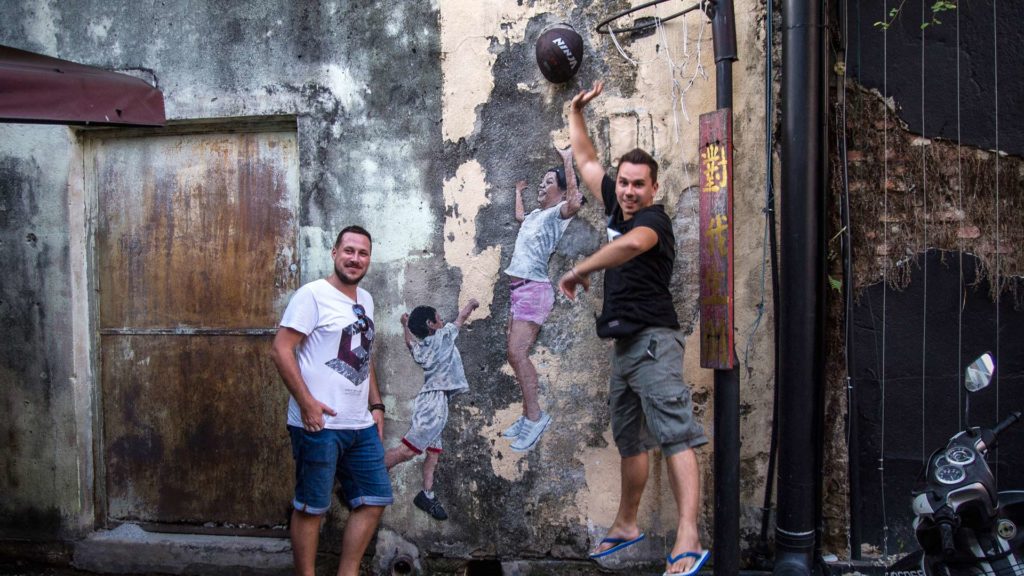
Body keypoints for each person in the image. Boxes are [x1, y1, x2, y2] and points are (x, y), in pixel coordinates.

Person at [556, 82, 710, 576]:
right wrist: (575, 110)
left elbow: (629, 246)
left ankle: (688, 534)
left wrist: (582, 268)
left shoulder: (654, 222)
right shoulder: (614, 202)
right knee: (631, 441)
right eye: (623, 182)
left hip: (654, 342)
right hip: (624, 347)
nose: (627, 191)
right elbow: (585, 159)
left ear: (653, 188)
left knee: (675, 434)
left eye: (637, 184)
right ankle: (626, 523)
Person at [270, 225, 391, 576]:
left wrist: (377, 405)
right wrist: (307, 403)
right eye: (349, 250)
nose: (355, 259)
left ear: (369, 259)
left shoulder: (365, 300)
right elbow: (280, 349)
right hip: (318, 424)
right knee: (312, 508)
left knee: (374, 498)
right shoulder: (312, 295)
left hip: (359, 424)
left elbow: (363, 357)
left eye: (363, 253)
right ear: (335, 253)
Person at [502, 145, 583, 452]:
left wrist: (567, 161)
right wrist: (519, 191)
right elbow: (519, 216)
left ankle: (535, 416)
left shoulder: (555, 215)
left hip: (534, 291)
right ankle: (527, 415)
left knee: (517, 352)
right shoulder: (536, 215)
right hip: (518, 290)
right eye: (543, 181)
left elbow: (575, 201)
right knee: (513, 354)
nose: (543, 185)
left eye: (550, 182)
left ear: (560, 192)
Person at [383, 298, 480, 520]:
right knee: (408, 451)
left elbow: (410, 344)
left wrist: (405, 326)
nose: (442, 319)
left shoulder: (422, 347)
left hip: (437, 401)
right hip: (433, 404)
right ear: (431, 324)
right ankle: (367, 478)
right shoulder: (443, 336)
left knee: (433, 454)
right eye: (438, 317)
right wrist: (472, 304)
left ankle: (427, 494)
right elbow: (460, 318)